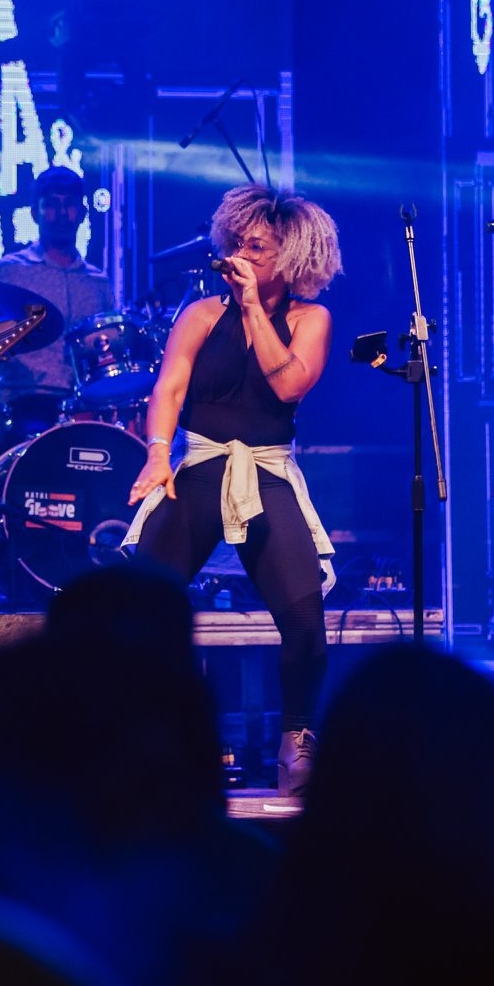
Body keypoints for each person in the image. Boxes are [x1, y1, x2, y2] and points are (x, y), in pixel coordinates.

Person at [122, 185, 342, 800]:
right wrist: (157, 453)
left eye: (258, 248)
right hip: (199, 465)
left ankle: (296, 740)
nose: (240, 255)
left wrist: (253, 310)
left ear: (291, 259)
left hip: (265, 473)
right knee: (139, 609)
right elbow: (169, 389)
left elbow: (289, 385)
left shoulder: (310, 320)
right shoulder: (200, 314)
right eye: (238, 243)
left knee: (305, 621)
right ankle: (142, 740)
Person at [0, 166, 117, 418]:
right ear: (34, 213)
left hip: (84, 409)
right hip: (19, 406)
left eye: (70, 204)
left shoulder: (99, 283)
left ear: (82, 213)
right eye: (52, 204)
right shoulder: (7, 272)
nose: (62, 213)